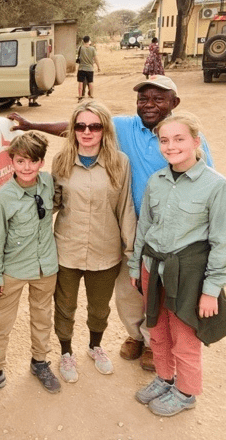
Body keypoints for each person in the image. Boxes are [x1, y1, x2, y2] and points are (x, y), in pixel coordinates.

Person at [7, 74, 213, 372]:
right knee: (128, 296)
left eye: (159, 98)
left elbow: (202, 181)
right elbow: (53, 196)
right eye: (144, 98)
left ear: (174, 103)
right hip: (87, 243)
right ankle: (134, 339)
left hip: (169, 232)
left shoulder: (180, 136)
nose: (150, 104)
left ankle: (156, 348)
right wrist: (31, 126)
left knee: (161, 294)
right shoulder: (122, 128)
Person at [129, 112, 226, 417]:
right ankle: (165, 378)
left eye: (179, 139)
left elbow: (224, 243)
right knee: (157, 329)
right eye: (164, 140)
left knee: (184, 335)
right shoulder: (156, 180)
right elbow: (144, 228)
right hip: (153, 267)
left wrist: (211, 290)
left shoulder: (218, 187)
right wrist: (135, 267)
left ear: (196, 142)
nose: (170, 146)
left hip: (188, 275)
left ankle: (186, 392)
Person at [0, 132, 60, 402]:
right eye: (21, 161)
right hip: (13, 270)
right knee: (1, 322)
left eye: (33, 161)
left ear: (41, 162)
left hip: (46, 267)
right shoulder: (4, 197)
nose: (27, 167)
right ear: (12, 162)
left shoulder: (47, 183)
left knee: (42, 318)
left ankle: (40, 362)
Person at [51, 101, 136, 383]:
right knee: (65, 306)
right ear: (73, 129)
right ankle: (66, 352)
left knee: (100, 307)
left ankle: (95, 346)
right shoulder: (61, 162)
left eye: (95, 126)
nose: (87, 132)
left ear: (104, 130)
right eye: (81, 126)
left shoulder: (119, 163)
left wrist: (131, 252)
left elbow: (125, 209)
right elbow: (53, 203)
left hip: (105, 250)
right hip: (67, 248)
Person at [76, 36, 101, 101]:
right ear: (89, 41)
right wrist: (99, 67)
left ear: (83, 41)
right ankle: (91, 95)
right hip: (90, 68)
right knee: (90, 82)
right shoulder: (92, 49)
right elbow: (96, 59)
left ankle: (80, 95)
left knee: (80, 82)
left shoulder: (80, 48)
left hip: (81, 68)